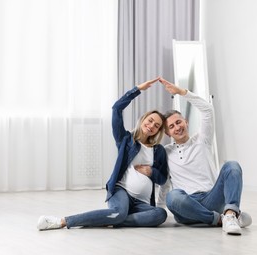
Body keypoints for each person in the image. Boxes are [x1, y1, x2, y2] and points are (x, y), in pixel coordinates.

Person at [37, 77, 168, 230]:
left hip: (142, 203)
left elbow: (162, 179)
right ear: (144, 119)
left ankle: (113, 218)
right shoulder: (125, 140)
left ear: (158, 131)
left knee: (160, 215)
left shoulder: (158, 150)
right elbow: (116, 109)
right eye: (150, 120)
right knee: (119, 212)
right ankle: (63, 221)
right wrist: (137, 90)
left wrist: (151, 171)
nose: (152, 126)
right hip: (121, 192)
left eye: (157, 125)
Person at [158, 77, 252, 235]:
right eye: (172, 127)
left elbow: (207, 109)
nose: (177, 128)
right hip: (186, 207)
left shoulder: (202, 139)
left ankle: (228, 214)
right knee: (173, 196)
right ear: (167, 133)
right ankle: (225, 219)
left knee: (232, 166)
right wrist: (160, 210)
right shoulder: (166, 152)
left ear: (186, 122)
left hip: (211, 198)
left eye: (179, 122)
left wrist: (182, 92)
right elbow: (165, 185)